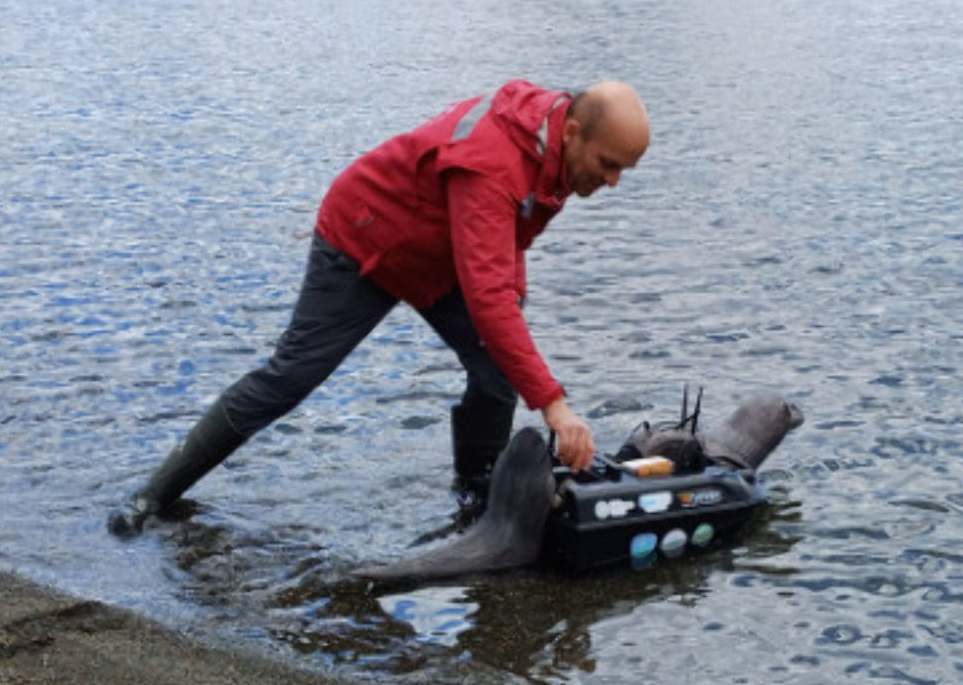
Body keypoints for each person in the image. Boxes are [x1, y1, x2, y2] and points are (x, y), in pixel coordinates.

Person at [108, 79, 650, 537]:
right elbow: (486, 293)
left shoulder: (554, 139)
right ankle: (152, 497)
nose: (611, 182)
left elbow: (509, 238)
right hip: (364, 239)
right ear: (575, 132)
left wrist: (513, 297)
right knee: (289, 377)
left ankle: (476, 504)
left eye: (622, 170)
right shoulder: (494, 162)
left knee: (495, 372)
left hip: (440, 255)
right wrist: (554, 405)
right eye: (608, 165)